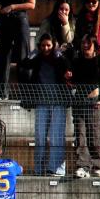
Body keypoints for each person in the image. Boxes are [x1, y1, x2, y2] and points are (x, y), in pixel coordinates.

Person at [24, 34, 71, 177]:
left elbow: (69, 68)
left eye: (48, 45)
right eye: (43, 45)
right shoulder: (38, 59)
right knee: (40, 136)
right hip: (42, 102)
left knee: (57, 136)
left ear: (54, 45)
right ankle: (39, 169)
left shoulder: (59, 59)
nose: (46, 48)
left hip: (58, 102)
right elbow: (24, 63)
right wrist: (34, 52)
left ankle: (56, 169)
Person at [71, 35, 100, 178]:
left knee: (95, 134)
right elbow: (73, 79)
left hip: (94, 101)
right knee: (80, 134)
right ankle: (83, 165)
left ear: (94, 45)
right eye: (83, 43)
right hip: (79, 101)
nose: (85, 46)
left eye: (88, 44)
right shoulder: (77, 61)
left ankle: (98, 165)